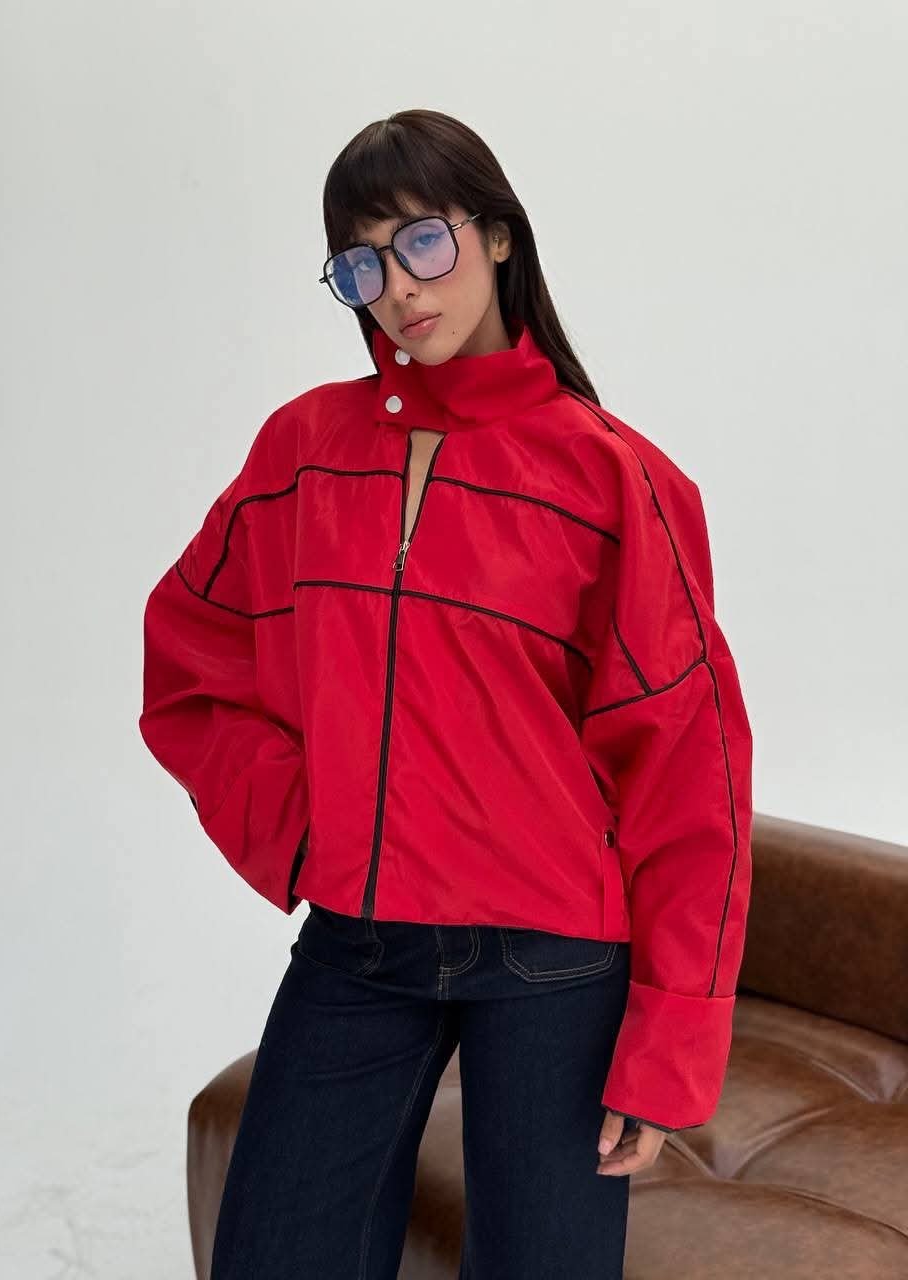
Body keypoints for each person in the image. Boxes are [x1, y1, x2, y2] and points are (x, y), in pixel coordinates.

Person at [139, 108, 753, 1279]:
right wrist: (302, 827)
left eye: (423, 240)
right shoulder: (305, 450)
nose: (400, 289)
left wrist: (669, 1043)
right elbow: (187, 651)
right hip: (360, 944)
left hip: (555, 958)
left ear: (499, 235)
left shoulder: (616, 477)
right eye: (362, 265)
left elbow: (690, 770)